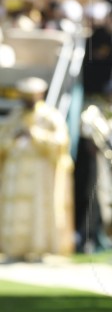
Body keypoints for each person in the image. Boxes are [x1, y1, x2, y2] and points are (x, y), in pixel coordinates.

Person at [0, 77, 74, 259]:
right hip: (15, 174)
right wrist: (14, 139)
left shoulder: (51, 116)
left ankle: (41, 249)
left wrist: (36, 135)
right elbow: (2, 140)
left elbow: (61, 143)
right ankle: (14, 248)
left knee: (39, 212)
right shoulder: (15, 117)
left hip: (41, 175)